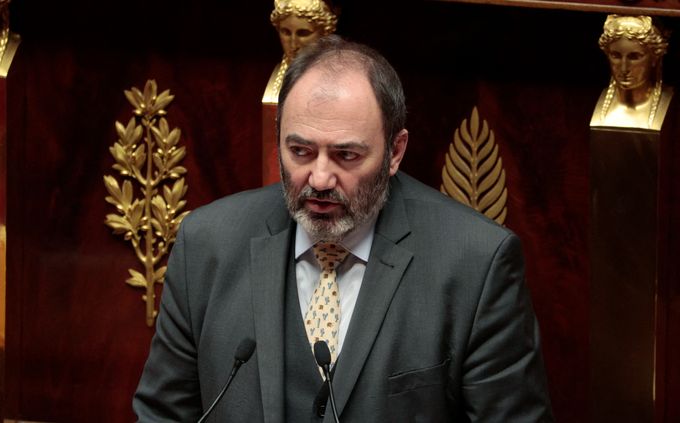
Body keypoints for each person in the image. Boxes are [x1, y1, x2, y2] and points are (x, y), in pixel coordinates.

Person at [134, 35, 553, 422]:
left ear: (395, 152)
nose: (318, 178)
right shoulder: (207, 243)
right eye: (300, 151)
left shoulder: (476, 264)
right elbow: (162, 414)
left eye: (346, 155)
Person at [593, 14, 672, 130]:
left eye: (634, 57)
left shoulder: (669, 103)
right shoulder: (594, 106)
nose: (624, 68)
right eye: (616, 56)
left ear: (655, 57)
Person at [262, 0, 338, 103]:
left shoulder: (337, 80)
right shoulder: (276, 82)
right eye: (286, 32)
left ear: (325, 33)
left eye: (303, 33)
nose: (293, 44)